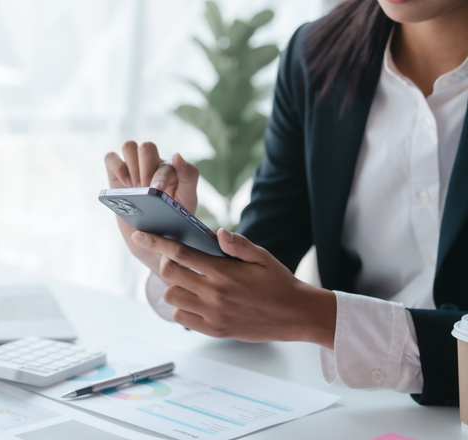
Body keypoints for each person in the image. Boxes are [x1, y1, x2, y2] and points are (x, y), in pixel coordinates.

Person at [104, 0, 468, 406]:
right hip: (359, 407)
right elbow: (260, 275)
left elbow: (287, 309)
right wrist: (178, 246)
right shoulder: (316, 54)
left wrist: (318, 317)